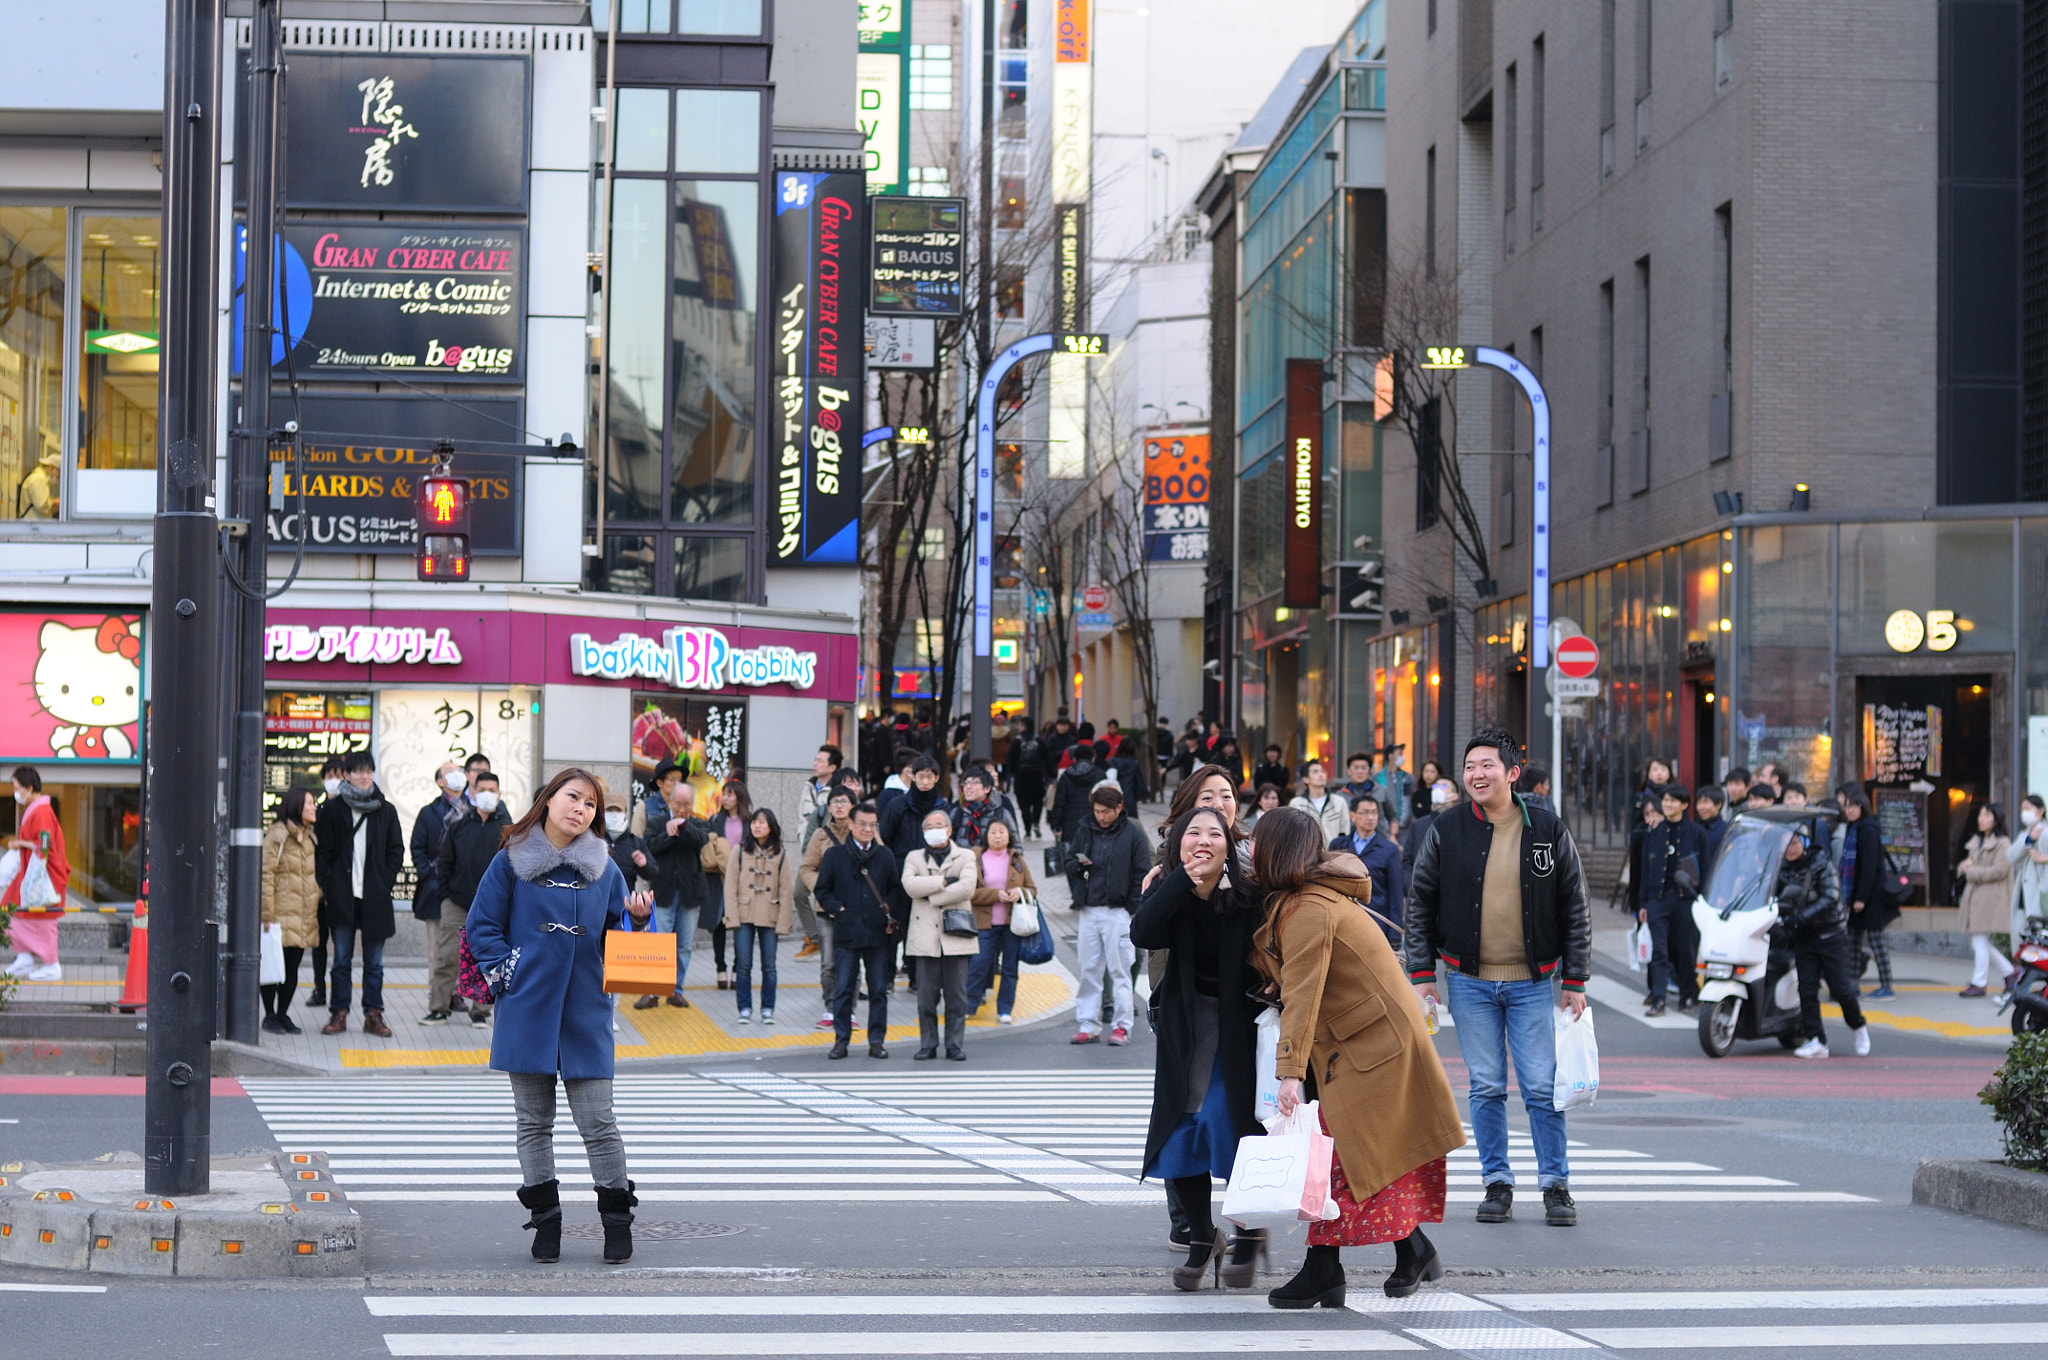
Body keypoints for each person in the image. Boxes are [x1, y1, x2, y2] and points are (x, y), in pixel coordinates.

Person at [1258, 808, 1465, 1306]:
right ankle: (1400, 1252)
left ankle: (1333, 1270)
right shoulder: (1311, 897)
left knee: (1342, 1160)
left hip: (1371, 1048)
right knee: (1354, 1160)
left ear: (1276, 852)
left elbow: (1302, 994)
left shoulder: (1309, 907)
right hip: (1368, 1042)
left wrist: (1287, 1074)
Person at [466, 766, 654, 1265]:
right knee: (533, 1124)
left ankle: (617, 1223)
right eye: (573, 798)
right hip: (527, 1007)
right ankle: (546, 1225)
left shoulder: (606, 868)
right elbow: (481, 927)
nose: (581, 809)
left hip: (586, 1010)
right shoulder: (509, 863)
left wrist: (637, 922)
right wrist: (511, 971)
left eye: (590, 805)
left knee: (600, 1122)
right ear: (549, 800)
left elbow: (620, 948)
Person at [1406, 727, 1589, 1228]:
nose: (1476, 775)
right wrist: (1422, 974)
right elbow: (1419, 900)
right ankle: (1497, 1182)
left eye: (1487, 765)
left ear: (1512, 773)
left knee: (1540, 1086)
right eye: (1469, 767)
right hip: (1468, 982)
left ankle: (1556, 1185)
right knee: (1485, 1086)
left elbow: (1574, 904)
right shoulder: (1447, 828)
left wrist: (1576, 979)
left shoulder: (1548, 828)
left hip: (1533, 982)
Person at [1132, 806, 1267, 1291]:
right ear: (1178, 844)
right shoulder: (1172, 892)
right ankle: (1202, 1237)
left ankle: (1249, 1233)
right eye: (1193, 833)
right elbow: (1143, 934)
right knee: (1178, 1129)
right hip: (1186, 1026)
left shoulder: (1250, 896)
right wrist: (1175, 882)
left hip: (1239, 1028)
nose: (1204, 840)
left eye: (1215, 833)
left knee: (1225, 1124)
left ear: (1230, 846)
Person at [313, 752, 403, 1038]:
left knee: (374, 962)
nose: (365, 776)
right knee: (341, 959)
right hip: (342, 895)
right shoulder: (333, 810)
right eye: (358, 771)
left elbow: (396, 851)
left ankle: (373, 1014)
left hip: (375, 896)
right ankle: (339, 1012)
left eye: (369, 771)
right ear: (347, 775)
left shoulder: (385, 810)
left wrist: (384, 881)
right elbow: (322, 854)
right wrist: (329, 885)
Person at [814, 801, 905, 1058]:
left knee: (878, 990)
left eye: (872, 825)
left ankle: (876, 1041)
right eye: (862, 824)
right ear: (851, 825)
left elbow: (897, 890)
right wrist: (838, 908)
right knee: (843, 989)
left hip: (877, 934)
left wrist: (886, 909)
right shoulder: (835, 855)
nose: (867, 829)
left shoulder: (884, 855)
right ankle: (841, 1040)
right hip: (846, 932)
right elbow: (822, 889)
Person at [1774, 825, 1871, 1058]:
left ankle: (1858, 1027)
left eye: (1795, 843)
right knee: (1806, 989)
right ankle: (1816, 1040)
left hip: (1830, 935)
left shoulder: (1822, 864)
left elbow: (1830, 897)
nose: (1790, 849)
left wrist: (1800, 917)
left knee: (1841, 989)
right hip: (1802, 936)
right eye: (1785, 844)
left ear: (1805, 843)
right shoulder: (1780, 868)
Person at [1066, 783, 1149, 1045]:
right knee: (1089, 969)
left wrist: (1131, 908)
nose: (1100, 816)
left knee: (1120, 969)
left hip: (1118, 911)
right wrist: (1077, 867)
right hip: (1089, 908)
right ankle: (1088, 1024)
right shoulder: (1085, 829)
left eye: (1105, 811)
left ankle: (1122, 1026)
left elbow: (1141, 871)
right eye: (1097, 811)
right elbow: (1068, 861)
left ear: (1119, 808)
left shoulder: (1133, 834)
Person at [431, 770, 512, 1027]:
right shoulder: (459, 824)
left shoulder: (508, 828)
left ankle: (480, 1012)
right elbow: (445, 863)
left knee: (488, 959)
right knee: (446, 957)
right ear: (473, 793)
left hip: (492, 906)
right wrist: (445, 894)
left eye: (493, 790)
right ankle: (438, 1008)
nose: (488, 795)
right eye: (483, 790)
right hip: (456, 902)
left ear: (499, 794)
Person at [902, 808, 979, 1060]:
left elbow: (967, 888)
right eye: (928, 827)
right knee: (926, 997)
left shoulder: (965, 856)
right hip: (925, 937)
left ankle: (954, 1044)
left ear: (949, 829)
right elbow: (910, 886)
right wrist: (945, 882)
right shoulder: (914, 857)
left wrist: (930, 896)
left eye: (938, 825)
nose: (933, 830)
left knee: (957, 997)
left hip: (957, 934)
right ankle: (928, 1043)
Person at [1636, 786, 1705, 1015]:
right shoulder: (1654, 832)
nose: (1667, 804)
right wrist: (1643, 903)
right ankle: (1659, 999)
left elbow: (1705, 869)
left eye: (1673, 801)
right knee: (1659, 951)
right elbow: (1645, 869)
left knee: (1684, 949)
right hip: (1658, 898)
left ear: (1684, 805)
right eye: (1665, 800)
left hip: (1686, 900)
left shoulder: (1696, 833)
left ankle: (1687, 994)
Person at [643, 779, 710, 1010]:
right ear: (669, 801)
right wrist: (668, 834)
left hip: (690, 893)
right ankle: (653, 991)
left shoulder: (698, 823)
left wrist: (684, 826)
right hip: (663, 891)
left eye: (687, 804)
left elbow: (702, 840)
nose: (682, 809)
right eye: (678, 804)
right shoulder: (657, 822)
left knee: (684, 945)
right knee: (658, 944)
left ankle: (676, 990)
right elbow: (649, 846)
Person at [259, 787, 320, 1033]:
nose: (314, 807)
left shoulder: (311, 838)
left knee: (292, 968)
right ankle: (269, 1015)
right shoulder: (277, 835)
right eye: (309, 803)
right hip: (279, 915)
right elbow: (265, 875)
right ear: (296, 806)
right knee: (274, 966)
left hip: (304, 914)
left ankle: (283, 1014)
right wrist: (266, 913)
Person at [409, 760, 470, 1005]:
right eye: (450, 771)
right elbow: (417, 849)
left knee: (464, 948)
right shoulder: (428, 812)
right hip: (436, 892)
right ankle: (439, 995)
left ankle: (458, 993)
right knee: (437, 949)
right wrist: (432, 881)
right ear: (440, 782)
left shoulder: (473, 810)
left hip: (465, 890)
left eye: (459, 770)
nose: (458, 774)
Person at [726, 807, 794, 1025]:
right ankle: (744, 1008)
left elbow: (786, 890)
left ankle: (767, 1008)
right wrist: (732, 917)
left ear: (771, 826)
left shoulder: (781, 853)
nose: (757, 826)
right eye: (754, 822)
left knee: (769, 966)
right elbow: (730, 886)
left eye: (762, 822)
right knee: (743, 965)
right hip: (744, 913)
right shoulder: (739, 850)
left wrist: (784, 922)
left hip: (770, 915)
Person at [1, 766, 68, 981]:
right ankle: (26, 958)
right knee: (18, 911)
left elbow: (44, 844)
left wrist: (19, 843)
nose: (15, 792)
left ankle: (49, 964)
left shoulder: (40, 812)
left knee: (33, 916)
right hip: (36, 874)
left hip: (41, 875)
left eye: (17, 788)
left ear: (29, 788)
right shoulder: (40, 810)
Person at [967, 817, 1035, 1021]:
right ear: (986, 836)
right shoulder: (975, 858)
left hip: (1012, 925)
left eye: (1002, 832)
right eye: (993, 832)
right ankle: (969, 1006)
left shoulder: (1016, 859)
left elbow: (1032, 889)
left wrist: (1019, 892)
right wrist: (994, 895)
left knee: (1009, 968)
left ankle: (1005, 1009)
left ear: (1009, 836)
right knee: (978, 965)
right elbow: (968, 891)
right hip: (984, 923)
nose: (997, 836)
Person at [800, 787, 856, 1029]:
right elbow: (806, 868)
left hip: (856, 908)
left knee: (853, 960)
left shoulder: (864, 831)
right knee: (829, 963)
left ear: (852, 805)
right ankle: (831, 1009)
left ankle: (850, 1012)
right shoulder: (821, 835)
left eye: (844, 801)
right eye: (834, 802)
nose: (839, 806)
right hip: (826, 908)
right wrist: (822, 888)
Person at [1839, 790, 1897, 999]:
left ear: (1863, 807)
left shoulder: (1868, 830)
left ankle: (1887, 986)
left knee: (1876, 941)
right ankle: (1853, 984)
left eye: (1855, 806)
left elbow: (1870, 867)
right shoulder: (1852, 828)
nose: (1850, 810)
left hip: (1872, 897)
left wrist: (1861, 898)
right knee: (1853, 941)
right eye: (1847, 806)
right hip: (1856, 895)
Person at [304, 755, 348, 1011]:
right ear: (323, 780)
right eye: (329, 776)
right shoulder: (316, 812)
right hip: (320, 890)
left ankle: (339, 996)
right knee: (319, 943)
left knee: (342, 947)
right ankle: (319, 988)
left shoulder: (348, 812)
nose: (333, 780)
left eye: (338, 775)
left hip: (341, 888)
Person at [1958, 802, 2014, 998]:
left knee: (1979, 940)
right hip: (1976, 897)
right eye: (1980, 815)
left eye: (1986, 816)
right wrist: (1965, 867)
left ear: (1996, 819)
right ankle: (2010, 974)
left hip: (1990, 898)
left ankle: (1979, 983)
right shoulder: (1977, 841)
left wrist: (1970, 871)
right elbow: (1967, 865)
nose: (1981, 819)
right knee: (1978, 942)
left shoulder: (2003, 843)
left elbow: (2000, 871)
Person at [1336, 793, 1404, 941]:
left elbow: (1395, 894)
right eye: (1365, 813)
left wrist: (1395, 934)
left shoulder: (1389, 849)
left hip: (1376, 923)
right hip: (1343, 923)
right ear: (1353, 816)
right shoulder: (1339, 845)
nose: (1371, 818)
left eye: (1374, 813)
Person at [703, 778, 750, 990]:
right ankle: (720, 969)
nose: (726, 798)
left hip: (743, 880)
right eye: (725, 794)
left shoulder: (750, 821)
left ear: (739, 797)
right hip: (718, 879)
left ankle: (737, 970)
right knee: (719, 924)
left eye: (731, 794)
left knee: (741, 924)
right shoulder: (714, 820)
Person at [1048, 740, 1105, 843]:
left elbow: (1060, 802)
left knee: (1072, 855)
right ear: (1093, 758)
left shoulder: (1066, 775)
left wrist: (1055, 825)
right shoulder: (1100, 775)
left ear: (1074, 759)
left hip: (1070, 825)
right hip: (1094, 823)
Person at [1400, 780, 1456, 878]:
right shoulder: (1418, 825)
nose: (1438, 789)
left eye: (1444, 786)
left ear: (1454, 796)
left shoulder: (1460, 822)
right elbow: (1407, 862)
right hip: (1421, 888)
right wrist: (1410, 886)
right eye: (1435, 786)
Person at [951, 768, 1017, 847]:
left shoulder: (1001, 813)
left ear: (987, 788)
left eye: (974, 783)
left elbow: (1015, 845)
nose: (968, 787)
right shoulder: (957, 812)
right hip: (963, 859)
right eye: (966, 783)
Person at [1290, 759, 1350, 840]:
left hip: (1334, 851)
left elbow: (1345, 831)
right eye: (1315, 772)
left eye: (1322, 771)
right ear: (1306, 779)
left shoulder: (1338, 801)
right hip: (1307, 851)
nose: (1321, 775)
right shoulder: (1296, 804)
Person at [604, 792, 651, 892]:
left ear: (625, 812)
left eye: (618, 810)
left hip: (626, 902)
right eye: (609, 810)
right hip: (599, 903)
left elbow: (652, 872)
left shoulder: (635, 842)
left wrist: (644, 865)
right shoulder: (594, 839)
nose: (614, 814)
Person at [1011, 721, 1050, 836]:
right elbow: (1047, 758)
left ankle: (1027, 828)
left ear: (1023, 726)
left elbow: (1011, 759)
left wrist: (1015, 773)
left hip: (1021, 777)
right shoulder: (1039, 741)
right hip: (1037, 777)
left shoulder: (1016, 741)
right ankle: (1036, 823)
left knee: (1024, 805)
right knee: (1038, 802)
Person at [797, 745, 842, 830]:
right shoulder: (808, 787)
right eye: (815, 760)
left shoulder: (837, 791)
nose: (815, 764)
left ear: (832, 768)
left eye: (820, 761)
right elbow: (801, 816)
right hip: (806, 840)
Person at [1377, 746, 1418, 827]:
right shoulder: (1377, 778)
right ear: (1390, 756)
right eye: (1399, 754)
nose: (1402, 757)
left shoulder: (1407, 777)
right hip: (1384, 826)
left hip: (1405, 825)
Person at [1695, 785, 1731, 874]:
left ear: (1718, 805)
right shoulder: (1695, 828)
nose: (1701, 807)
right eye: (1699, 803)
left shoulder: (1726, 831)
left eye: (1705, 802)